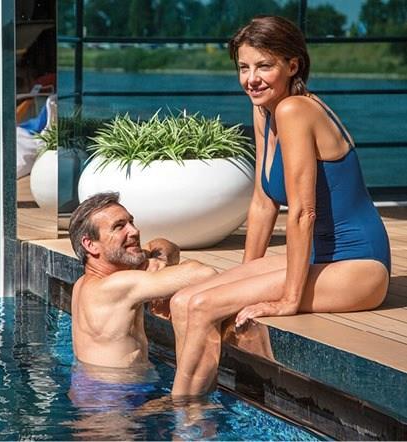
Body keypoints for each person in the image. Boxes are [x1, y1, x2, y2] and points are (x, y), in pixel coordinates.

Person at [169, 15, 391, 398]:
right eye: (244, 67)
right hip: (317, 257)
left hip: (358, 265)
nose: (251, 79)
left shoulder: (295, 111)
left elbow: (303, 213)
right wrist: (245, 274)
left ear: (293, 65)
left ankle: (182, 411)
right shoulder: (265, 110)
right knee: (182, 301)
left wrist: (289, 299)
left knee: (203, 305)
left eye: (264, 66)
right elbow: (263, 200)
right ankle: (197, 401)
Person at [68, 192, 217, 369]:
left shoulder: (83, 283)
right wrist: (156, 269)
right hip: (119, 386)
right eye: (119, 226)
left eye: (131, 222)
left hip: (90, 381)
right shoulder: (116, 286)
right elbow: (204, 273)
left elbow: (166, 246)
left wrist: (158, 260)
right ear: (90, 244)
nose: (134, 231)